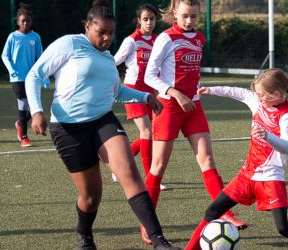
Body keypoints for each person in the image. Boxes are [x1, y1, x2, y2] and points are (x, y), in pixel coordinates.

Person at [25, 1, 180, 250]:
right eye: (101, 33)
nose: (107, 38)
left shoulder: (107, 57)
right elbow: (34, 75)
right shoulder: (70, 44)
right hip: (68, 129)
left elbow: (115, 90)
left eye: (111, 33)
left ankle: (158, 240)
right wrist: (36, 111)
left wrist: (145, 97)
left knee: (129, 171)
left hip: (103, 120)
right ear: (88, 26)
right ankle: (84, 236)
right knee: (91, 197)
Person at [185, 68, 288, 250]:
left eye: (262, 95)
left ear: (277, 93)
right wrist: (212, 90)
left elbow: (287, 146)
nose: (258, 98)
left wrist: (267, 135)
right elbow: (237, 92)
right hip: (248, 174)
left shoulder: (285, 116)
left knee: (283, 228)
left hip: (270, 178)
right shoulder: (256, 101)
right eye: (257, 94)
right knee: (212, 211)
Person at [142, 0, 247, 245]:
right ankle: (147, 223)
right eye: (185, 16)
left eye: (194, 16)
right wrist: (175, 93)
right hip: (169, 106)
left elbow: (193, 71)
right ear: (174, 12)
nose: (189, 21)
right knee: (158, 166)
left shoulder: (199, 38)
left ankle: (225, 214)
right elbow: (149, 75)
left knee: (208, 160)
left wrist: (194, 93)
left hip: (194, 106)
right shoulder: (165, 38)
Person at [113, 3, 167, 191]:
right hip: (133, 90)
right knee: (147, 132)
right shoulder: (131, 41)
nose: (149, 22)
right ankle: (149, 178)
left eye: (152, 19)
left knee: (150, 133)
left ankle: (117, 167)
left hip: (151, 92)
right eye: (145, 19)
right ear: (138, 21)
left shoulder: (159, 40)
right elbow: (114, 62)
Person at [1, 2, 49, 147]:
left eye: (28, 20)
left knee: (33, 107)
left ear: (31, 21)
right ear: (17, 22)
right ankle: (23, 136)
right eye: (23, 21)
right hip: (17, 78)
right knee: (23, 105)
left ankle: (20, 124)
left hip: (32, 78)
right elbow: (4, 56)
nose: (26, 23)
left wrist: (45, 76)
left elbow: (41, 59)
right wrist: (11, 70)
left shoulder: (36, 37)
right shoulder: (13, 37)